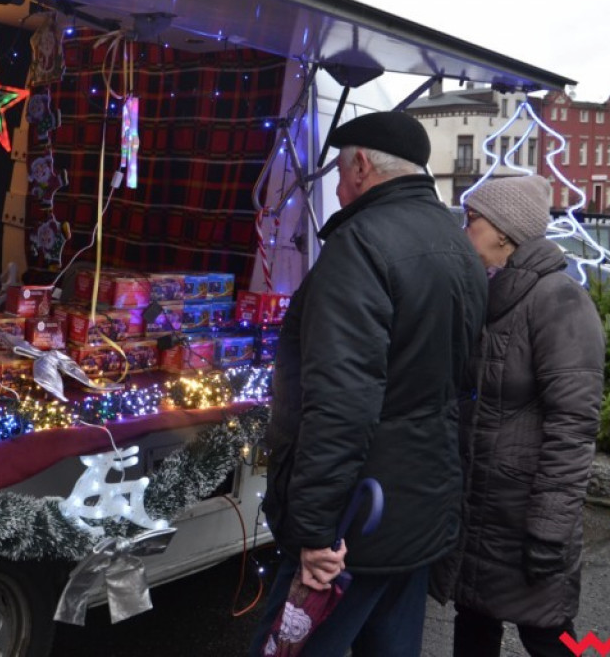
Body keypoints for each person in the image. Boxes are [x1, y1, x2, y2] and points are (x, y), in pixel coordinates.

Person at [250, 111, 488, 657]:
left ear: (360, 165)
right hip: (418, 505)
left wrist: (313, 532)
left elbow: (341, 402)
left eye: (338, 169)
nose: (336, 186)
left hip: (357, 516)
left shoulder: (360, 246)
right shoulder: (456, 244)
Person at [435, 174, 604, 657]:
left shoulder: (560, 301)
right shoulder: (489, 296)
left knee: (548, 633)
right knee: (474, 622)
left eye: (473, 221)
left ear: (505, 231)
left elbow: (573, 428)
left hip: (526, 515)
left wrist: (549, 530)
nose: (464, 231)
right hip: (482, 509)